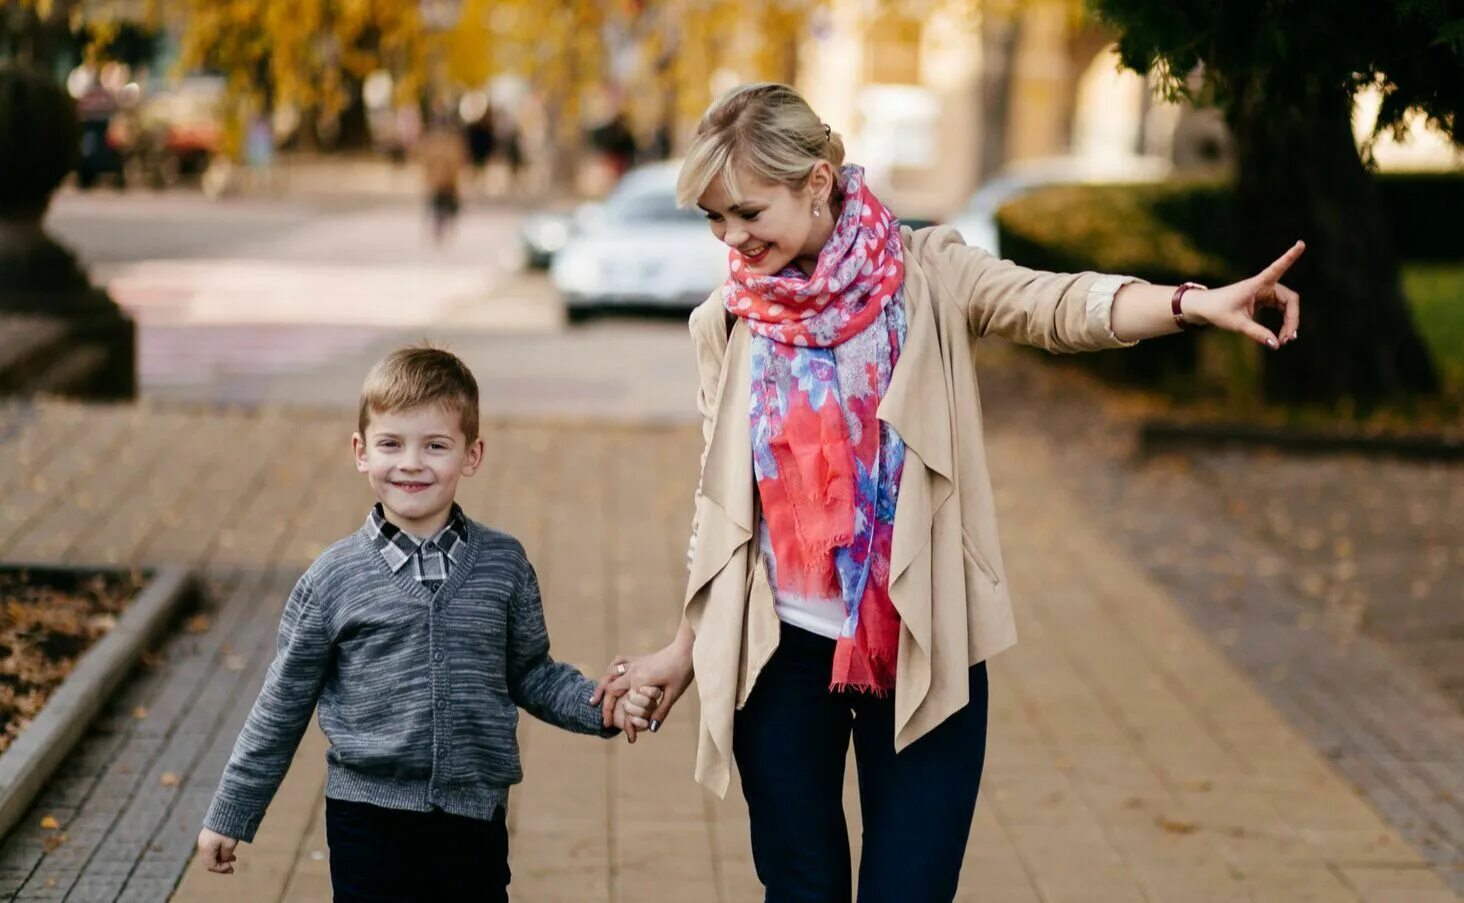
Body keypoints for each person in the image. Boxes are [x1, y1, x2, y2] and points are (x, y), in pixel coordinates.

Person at [592, 82, 1303, 902]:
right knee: (800, 888)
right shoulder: (729, 321)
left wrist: (1190, 304)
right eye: (715, 219)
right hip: (776, 655)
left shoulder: (927, 275)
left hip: (922, 642)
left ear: (817, 182)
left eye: (747, 213)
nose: (731, 237)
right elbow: (722, 511)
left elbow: (1053, 303)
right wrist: (686, 650)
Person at [196, 346, 661, 902]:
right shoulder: (332, 579)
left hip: (473, 819)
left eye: (435, 445)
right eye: (391, 443)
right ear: (361, 451)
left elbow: (531, 673)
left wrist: (603, 705)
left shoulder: (502, 564)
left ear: (471, 454)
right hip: (366, 819)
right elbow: (282, 704)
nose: (411, 463)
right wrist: (232, 811)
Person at [418, 120, 466, 243]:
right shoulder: (439, 147)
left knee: (444, 204)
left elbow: (456, 164)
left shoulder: (450, 146)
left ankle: (442, 223)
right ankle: (439, 225)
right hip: (439, 182)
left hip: (446, 182)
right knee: (438, 204)